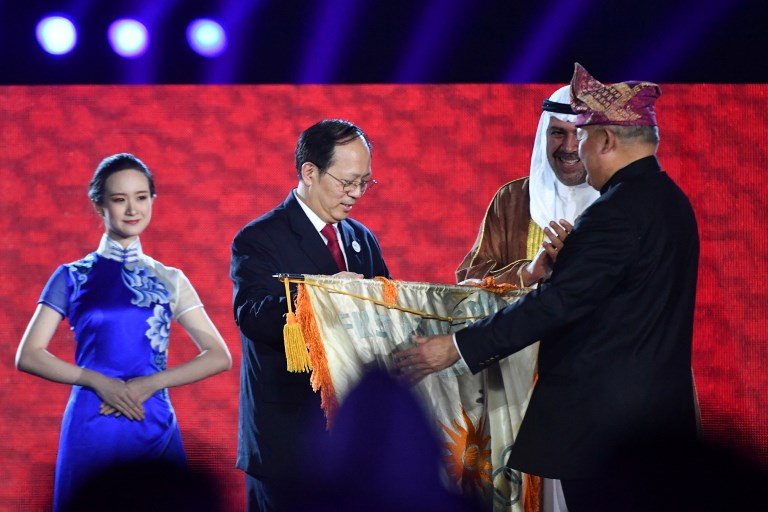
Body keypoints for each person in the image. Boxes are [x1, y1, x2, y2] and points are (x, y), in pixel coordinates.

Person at [395, 63, 700, 511]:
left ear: (606, 140)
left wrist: (457, 347)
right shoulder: (670, 200)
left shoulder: (614, 212)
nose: (576, 150)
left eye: (583, 138)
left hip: (607, 431)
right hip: (649, 426)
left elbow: (558, 304)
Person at [15, 153, 232, 512]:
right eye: (119, 199)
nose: (132, 209)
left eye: (141, 197)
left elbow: (219, 356)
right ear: (98, 205)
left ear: (152, 200)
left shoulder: (170, 279)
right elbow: (29, 355)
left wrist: (151, 383)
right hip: (93, 416)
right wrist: (98, 381)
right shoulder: (72, 276)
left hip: (151, 416)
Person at [230, 119, 390, 511]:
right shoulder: (259, 238)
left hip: (351, 442)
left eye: (364, 182)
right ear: (309, 172)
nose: (356, 194)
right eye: (347, 182)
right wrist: (320, 293)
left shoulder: (361, 238)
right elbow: (252, 316)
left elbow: (385, 314)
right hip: (287, 441)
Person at [456, 85, 599, 288]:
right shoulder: (512, 198)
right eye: (558, 133)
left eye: (580, 134)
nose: (569, 147)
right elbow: (467, 285)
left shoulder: (622, 201)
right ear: (544, 135)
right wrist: (529, 273)